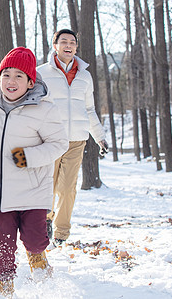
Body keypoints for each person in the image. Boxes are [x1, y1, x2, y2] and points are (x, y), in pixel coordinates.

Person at [0, 47, 68, 297]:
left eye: (18, 76)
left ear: (30, 81)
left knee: (34, 240)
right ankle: (4, 284)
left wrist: (29, 156)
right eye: (6, 75)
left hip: (34, 190)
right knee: (2, 244)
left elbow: (59, 144)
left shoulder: (44, 109)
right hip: (1, 192)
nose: (11, 81)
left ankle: (38, 258)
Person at [36, 29, 108, 247]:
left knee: (67, 188)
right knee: (48, 185)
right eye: (64, 41)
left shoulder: (85, 76)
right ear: (55, 45)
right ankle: (45, 219)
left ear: (76, 47)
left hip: (76, 140)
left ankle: (61, 232)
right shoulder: (41, 73)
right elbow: (34, 106)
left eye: (72, 42)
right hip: (50, 139)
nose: (68, 45)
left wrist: (100, 137)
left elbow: (89, 109)